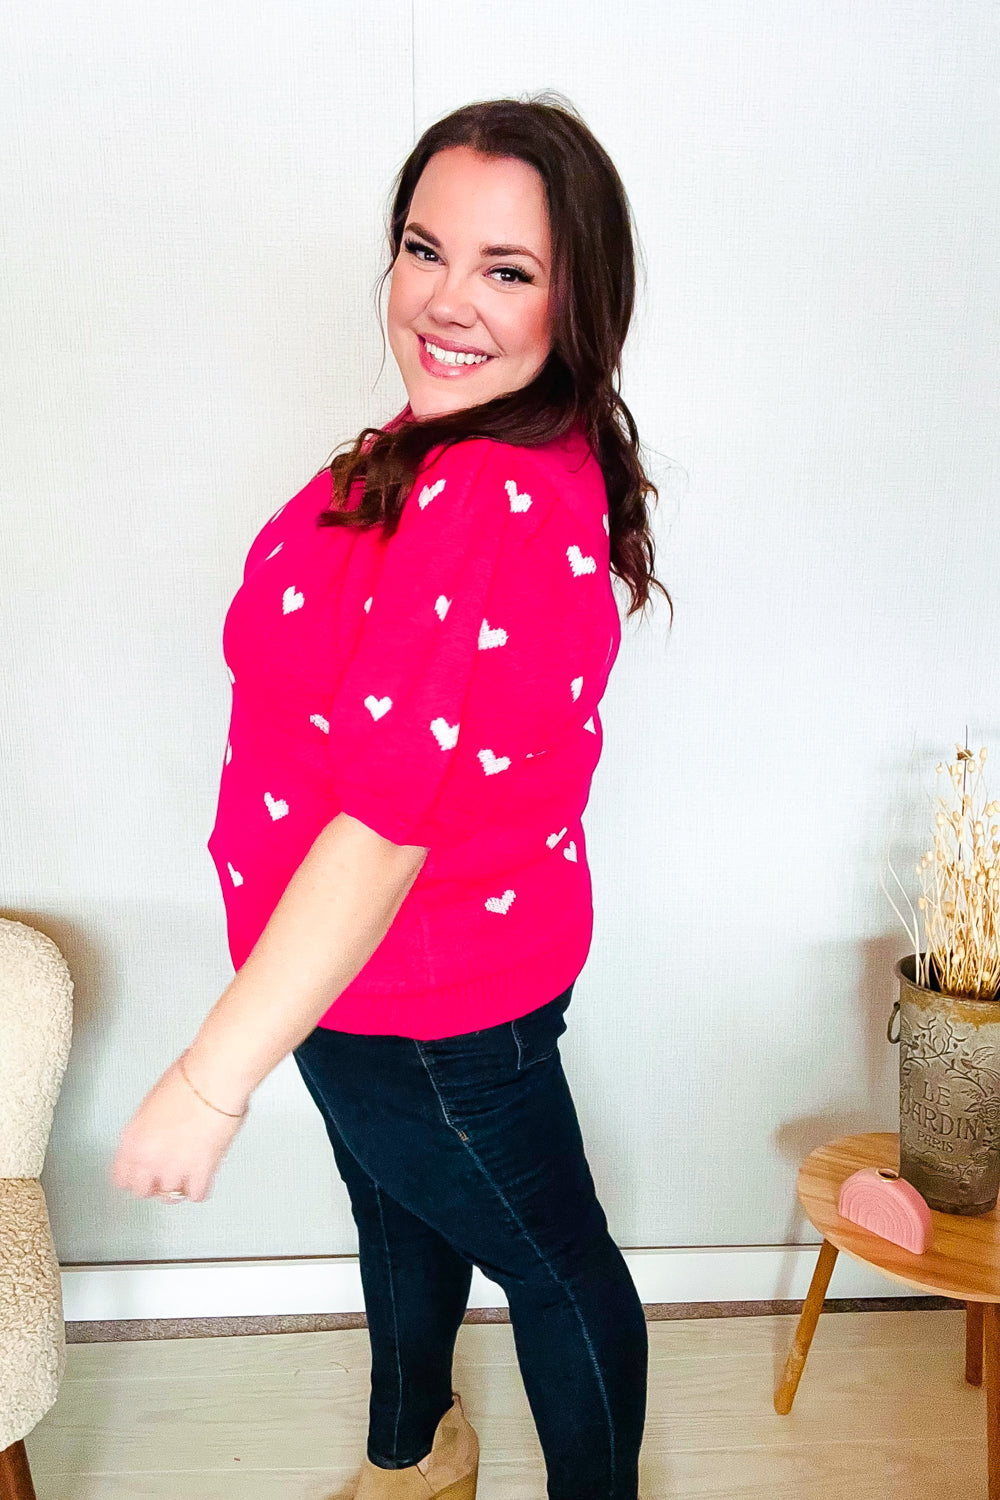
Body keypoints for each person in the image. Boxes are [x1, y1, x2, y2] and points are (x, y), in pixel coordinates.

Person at [111, 93, 672, 1500]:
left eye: (508, 269)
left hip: (424, 999)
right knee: (402, 1208)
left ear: (578, 301)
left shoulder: (484, 494)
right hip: (359, 987)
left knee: (558, 1271)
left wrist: (208, 1083)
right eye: (425, 249)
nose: (445, 301)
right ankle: (414, 1455)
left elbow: (380, 830)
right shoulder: (459, 442)